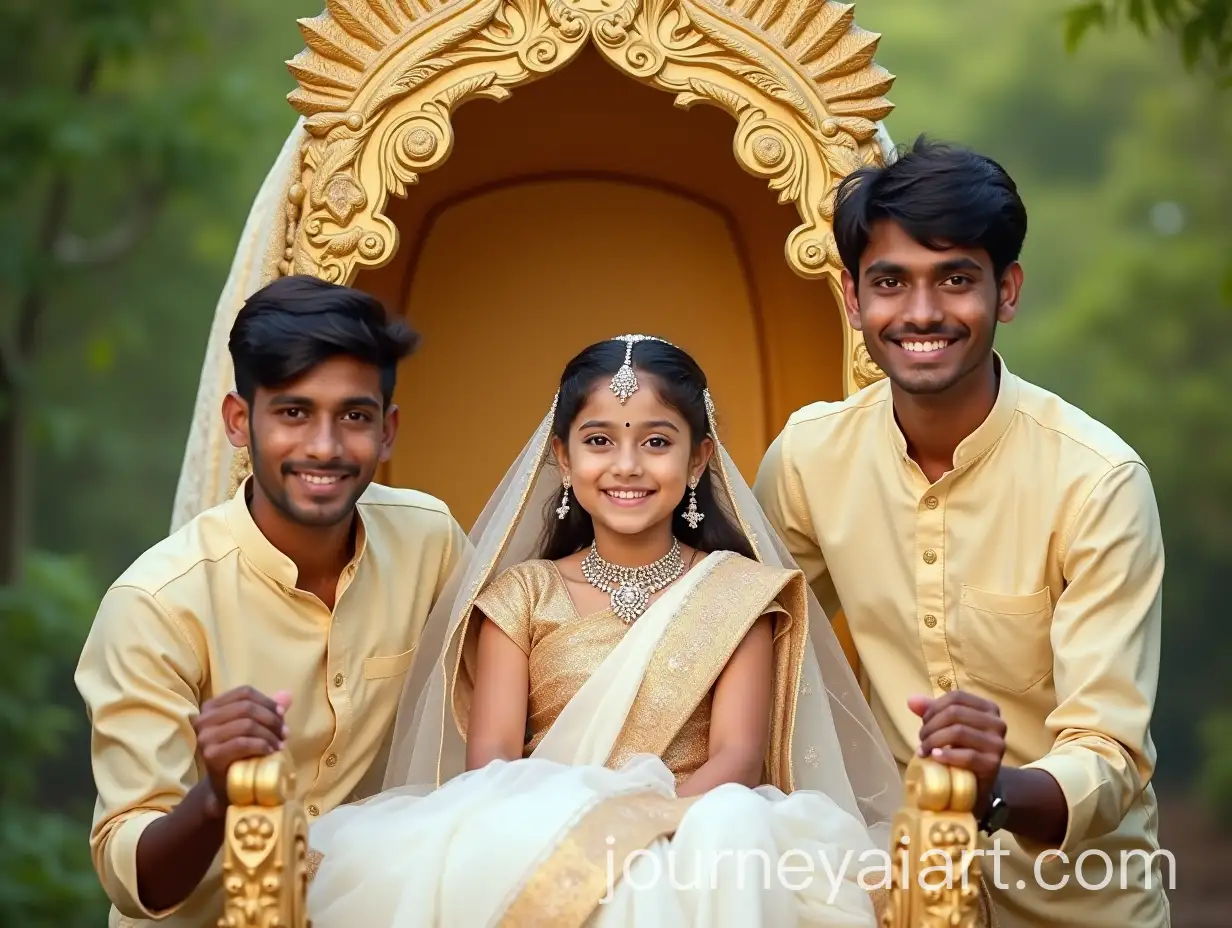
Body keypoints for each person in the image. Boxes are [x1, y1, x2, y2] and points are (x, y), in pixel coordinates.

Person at [303, 335, 904, 927]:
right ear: (563, 459)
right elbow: (492, 766)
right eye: (599, 441)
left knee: (728, 830)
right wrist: (586, 835)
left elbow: (739, 756)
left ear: (698, 459)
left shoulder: (741, 593)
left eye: (656, 442)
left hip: (694, 829)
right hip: (540, 835)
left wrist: (634, 830)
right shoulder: (521, 596)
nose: (626, 465)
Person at [753, 136, 1168, 927]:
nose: (920, 313)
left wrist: (991, 790)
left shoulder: (1097, 480)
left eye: (955, 279)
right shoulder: (809, 459)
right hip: (884, 892)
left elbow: (1110, 755)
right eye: (890, 282)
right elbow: (746, 635)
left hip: (1077, 905)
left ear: (1006, 291)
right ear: (852, 300)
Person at [75, 275, 469, 928]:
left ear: (389, 429)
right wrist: (216, 795)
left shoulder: (430, 545)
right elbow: (130, 877)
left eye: (354, 416)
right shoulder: (156, 604)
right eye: (293, 412)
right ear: (239, 421)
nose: (324, 446)